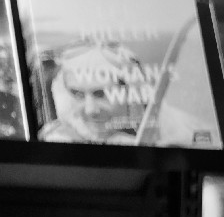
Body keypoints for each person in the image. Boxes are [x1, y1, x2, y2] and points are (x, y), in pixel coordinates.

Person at [37, 39, 206, 146]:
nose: (90, 110)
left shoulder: (182, 130)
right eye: (77, 94)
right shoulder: (55, 136)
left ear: (131, 93)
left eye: (101, 94)